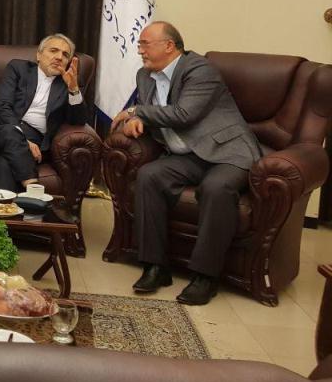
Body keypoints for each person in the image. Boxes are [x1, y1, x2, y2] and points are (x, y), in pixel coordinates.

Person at [110, 21, 262, 306]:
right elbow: (153, 114)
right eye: (140, 45)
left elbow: (184, 114)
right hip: (188, 155)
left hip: (228, 152)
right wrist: (136, 121)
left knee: (215, 188)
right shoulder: (144, 75)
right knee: (149, 176)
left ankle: (206, 276)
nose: (139, 50)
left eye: (145, 44)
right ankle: (155, 267)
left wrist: (136, 110)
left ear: (169, 46)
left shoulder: (200, 69)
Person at [0, 34, 88, 192]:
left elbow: (78, 121)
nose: (59, 57)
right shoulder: (18, 68)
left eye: (65, 55)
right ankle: (33, 188)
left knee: (5, 163)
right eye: (53, 51)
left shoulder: (69, 84)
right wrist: (22, 140)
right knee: (10, 133)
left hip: (34, 141)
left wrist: (73, 89)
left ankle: (5, 207)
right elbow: (2, 105)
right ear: (39, 55)